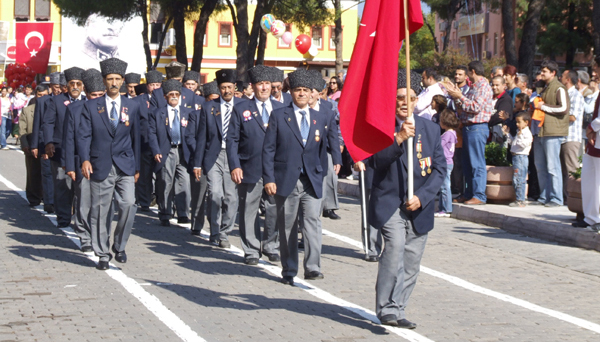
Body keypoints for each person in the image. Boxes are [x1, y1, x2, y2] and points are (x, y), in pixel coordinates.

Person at [370, 69, 445, 329]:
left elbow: (440, 170)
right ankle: (386, 308)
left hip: (418, 205)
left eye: (411, 97)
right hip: (390, 202)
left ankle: (399, 307)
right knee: (394, 250)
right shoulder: (380, 127)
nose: (405, 102)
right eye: (400, 97)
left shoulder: (431, 129)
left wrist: (422, 197)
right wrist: (399, 137)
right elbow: (375, 162)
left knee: (412, 260)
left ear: (417, 100)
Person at [262, 69, 332, 285]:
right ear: (290, 92)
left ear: (312, 93)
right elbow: (269, 150)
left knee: (312, 222)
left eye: (305, 90)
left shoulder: (321, 117)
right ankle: (289, 268)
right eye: (297, 90)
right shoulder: (279, 115)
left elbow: (322, 150)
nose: (301, 94)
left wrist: (321, 175)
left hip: (311, 180)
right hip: (287, 180)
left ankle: (312, 267)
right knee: (288, 227)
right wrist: (269, 179)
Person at [78, 57, 141, 270]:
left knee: (128, 204)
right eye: (109, 79)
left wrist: (137, 167)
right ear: (104, 81)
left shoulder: (132, 106)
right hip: (100, 164)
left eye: (117, 79)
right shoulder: (91, 106)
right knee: (100, 211)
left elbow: (136, 139)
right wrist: (85, 159)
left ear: (123, 81)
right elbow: (84, 135)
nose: (113, 83)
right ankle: (103, 253)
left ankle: (119, 245)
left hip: (125, 164)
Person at [226, 65, 285, 265]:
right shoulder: (241, 108)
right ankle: (251, 249)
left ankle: (271, 245)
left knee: (274, 209)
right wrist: (234, 165)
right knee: (248, 209)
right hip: (249, 166)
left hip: (275, 169)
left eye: (268, 84)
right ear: (253, 86)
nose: (265, 88)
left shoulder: (281, 109)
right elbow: (232, 140)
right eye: (260, 84)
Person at [192, 69, 243, 248]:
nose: (226, 91)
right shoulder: (209, 107)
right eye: (223, 88)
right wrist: (197, 163)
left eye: (229, 87)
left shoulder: (243, 105)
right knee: (214, 194)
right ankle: (215, 231)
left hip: (234, 158)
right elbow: (202, 136)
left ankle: (225, 231)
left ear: (234, 87)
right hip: (213, 156)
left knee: (230, 197)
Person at [63, 68, 107, 253]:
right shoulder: (74, 109)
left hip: (103, 161)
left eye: (100, 94)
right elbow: (69, 138)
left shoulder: (109, 107)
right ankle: (84, 235)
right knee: (84, 200)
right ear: (86, 93)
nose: (97, 98)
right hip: (82, 161)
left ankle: (100, 235)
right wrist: (71, 166)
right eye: (93, 95)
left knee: (102, 202)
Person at [43, 67, 86, 228]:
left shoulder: (87, 101)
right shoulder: (56, 101)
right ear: (66, 86)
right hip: (60, 150)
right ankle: (63, 217)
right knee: (63, 185)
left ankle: (80, 218)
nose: (75, 86)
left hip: (82, 152)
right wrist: (48, 142)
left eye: (78, 83)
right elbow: (48, 123)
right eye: (72, 83)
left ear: (82, 86)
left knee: (81, 187)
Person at [447, 60, 494, 205]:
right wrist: (457, 96)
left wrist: (460, 96)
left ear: (472, 71)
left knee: (476, 163)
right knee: (467, 163)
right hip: (468, 127)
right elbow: (465, 107)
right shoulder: (473, 87)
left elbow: (475, 107)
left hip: (477, 127)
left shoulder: (483, 87)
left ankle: (479, 195)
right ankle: (468, 193)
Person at [148, 79, 193, 226]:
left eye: (176, 94)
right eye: (171, 94)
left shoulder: (188, 112)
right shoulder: (157, 113)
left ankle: (183, 213)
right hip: (166, 151)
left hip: (183, 151)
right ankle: (165, 213)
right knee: (166, 182)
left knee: (184, 183)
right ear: (165, 97)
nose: (174, 97)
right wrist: (156, 151)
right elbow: (152, 133)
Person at [531, 60, 570, 207]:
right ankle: (544, 196)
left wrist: (544, 107)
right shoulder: (545, 87)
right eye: (541, 71)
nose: (541, 74)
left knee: (553, 166)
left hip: (553, 131)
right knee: (540, 165)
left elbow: (564, 109)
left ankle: (556, 198)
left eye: (544, 72)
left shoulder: (559, 88)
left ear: (553, 73)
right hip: (541, 130)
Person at [308, 72, 343, 221]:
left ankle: (327, 207)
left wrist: (337, 157)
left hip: (325, 150)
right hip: (306, 152)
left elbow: (334, 133)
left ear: (319, 93)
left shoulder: (328, 108)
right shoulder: (298, 107)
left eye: (312, 91)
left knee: (329, 180)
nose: (308, 94)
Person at [31, 72, 61, 214]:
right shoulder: (43, 101)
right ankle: (49, 202)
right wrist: (36, 145)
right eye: (55, 87)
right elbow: (37, 124)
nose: (58, 90)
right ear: (50, 87)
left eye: (60, 87)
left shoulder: (66, 101)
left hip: (61, 143)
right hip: (45, 142)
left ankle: (61, 202)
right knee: (48, 173)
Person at [134, 70, 163, 212]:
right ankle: (144, 200)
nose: (155, 87)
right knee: (144, 174)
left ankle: (160, 199)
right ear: (147, 86)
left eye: (158, 84)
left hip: (161, 142)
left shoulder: (164, 99)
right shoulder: (138, 100)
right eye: (152, 84)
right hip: (144, 142)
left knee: (161, 174)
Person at [19, 85, 49, 206]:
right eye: (39, 95)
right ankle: (33, 197)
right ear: (35, 95)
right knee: (33, 173)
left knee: (47, 173)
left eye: (45, 95)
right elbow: (22, 130)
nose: (42, 98)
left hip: (47, 145)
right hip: (32, 145)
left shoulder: (52, 108)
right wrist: (26, 145)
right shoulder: (27, 110)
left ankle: (46, 197)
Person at [560, 69, 584, 202]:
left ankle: (575, 198)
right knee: (564, 170)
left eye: (562, 76)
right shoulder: (564, 94)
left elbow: (573, 117)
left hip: (571, 137)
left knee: (571, 170)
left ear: (568, 79)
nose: (560, 78)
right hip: (562, 136)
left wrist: (555, 115)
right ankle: (566, 197)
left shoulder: (576, 95)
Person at [578, 92, 600, 231]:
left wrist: (592, 128)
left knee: (597, 181)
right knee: (590, 179)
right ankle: (591, 218)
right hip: (596, 140)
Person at [504, 112, 533, 207]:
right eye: (516, 122)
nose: (517, 124)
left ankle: (520, 200)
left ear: (526, 122)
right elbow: (514, 143)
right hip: (516, 156)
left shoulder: (526, 133)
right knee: (517, 178)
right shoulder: (519, 132)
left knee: (519, 178)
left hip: (521, 157)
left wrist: (520, 135)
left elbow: (523, 144)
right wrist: (508, 134)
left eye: (519, 122)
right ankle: (519, 198)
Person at [436, 108, 459, 217]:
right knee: (443, 186)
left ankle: (446, 209)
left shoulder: (447, 135)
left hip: (445, 162)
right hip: (449, 162)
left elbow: (439, 145)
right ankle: (443, 208)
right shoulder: (453, 133)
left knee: (445, 187)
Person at [489, 76, 513, 145]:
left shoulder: (506, 99)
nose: (494, 87)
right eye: (493, 85)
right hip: (490, 134)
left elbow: (500, 116)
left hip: (500, 134)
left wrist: (485, 121)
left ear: (504, 86)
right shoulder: (491, 97)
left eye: (497, 85)